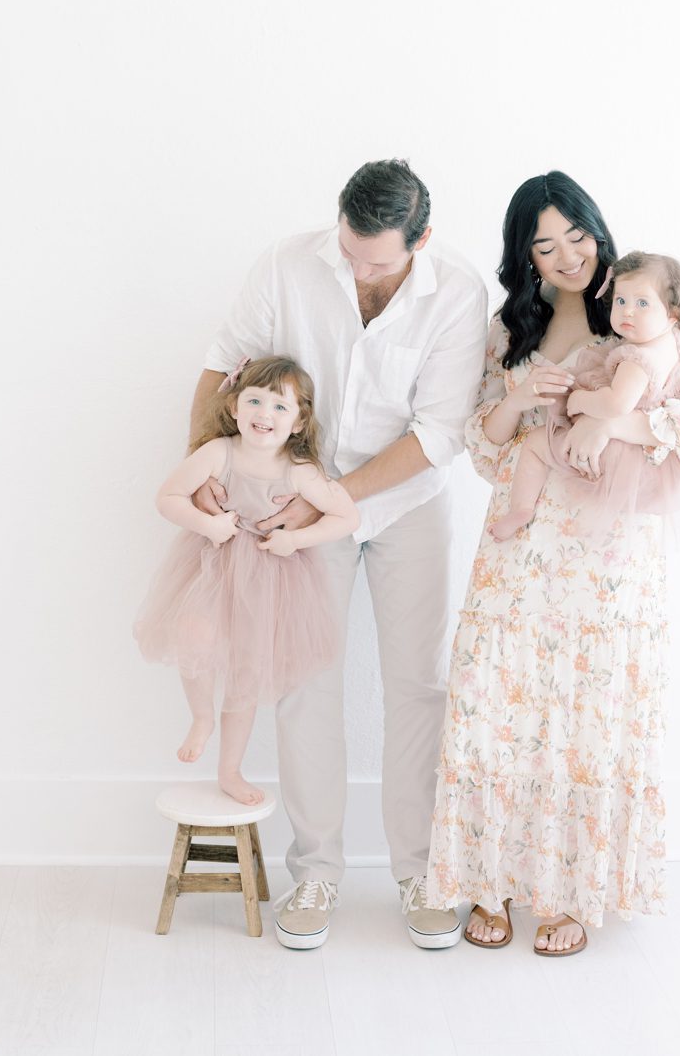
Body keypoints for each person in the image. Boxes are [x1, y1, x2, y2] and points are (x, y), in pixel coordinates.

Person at [189, 160, 488, 948]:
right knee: (304, 685)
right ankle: (316, 871)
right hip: (294, 507)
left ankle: (421, 871)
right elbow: (223, 362)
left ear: (422, 239)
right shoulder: (287, 263)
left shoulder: (458, 291)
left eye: (377, 262)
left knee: (418, 685)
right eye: (350, 253)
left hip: (405, 503)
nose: (358, 272)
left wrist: (333, 495)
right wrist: (204, 467)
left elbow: (438, 432)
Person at [427, 172, 680, 956]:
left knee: (585, 714)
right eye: (545, 245)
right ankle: (490, 881)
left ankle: (570, 892)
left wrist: (607, 423)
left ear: (598, 231)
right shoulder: (507, 328)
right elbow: (481, 444)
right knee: (495, 702)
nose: (566, 256)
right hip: (519, 546)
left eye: (577, 236)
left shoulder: (637, 310)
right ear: (524, 256)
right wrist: (521, 397)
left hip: (607, 555)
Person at [135, 356, 359, 805]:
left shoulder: (300, 470)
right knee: (192, 633)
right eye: (254, 401)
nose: (264, 414)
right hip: (212, 567)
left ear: (298, 422)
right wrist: (208, 524)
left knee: (246, 672)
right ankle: (201, 717)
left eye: (280, 406)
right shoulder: (218, 453)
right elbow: (168, 497)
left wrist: (296, 539)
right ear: (235, 407)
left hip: (271, 578)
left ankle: (230, 770)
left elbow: (347, 516)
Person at [489, 249, 680, 541]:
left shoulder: (635, 359)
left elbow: (617, 403)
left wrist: (579, 401)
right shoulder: (677, 345)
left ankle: (520, 510)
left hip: (614, 452)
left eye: (642, 303)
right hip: (648, 457)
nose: (628, 311)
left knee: (536, 444)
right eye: (621, 301)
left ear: (672, 314)